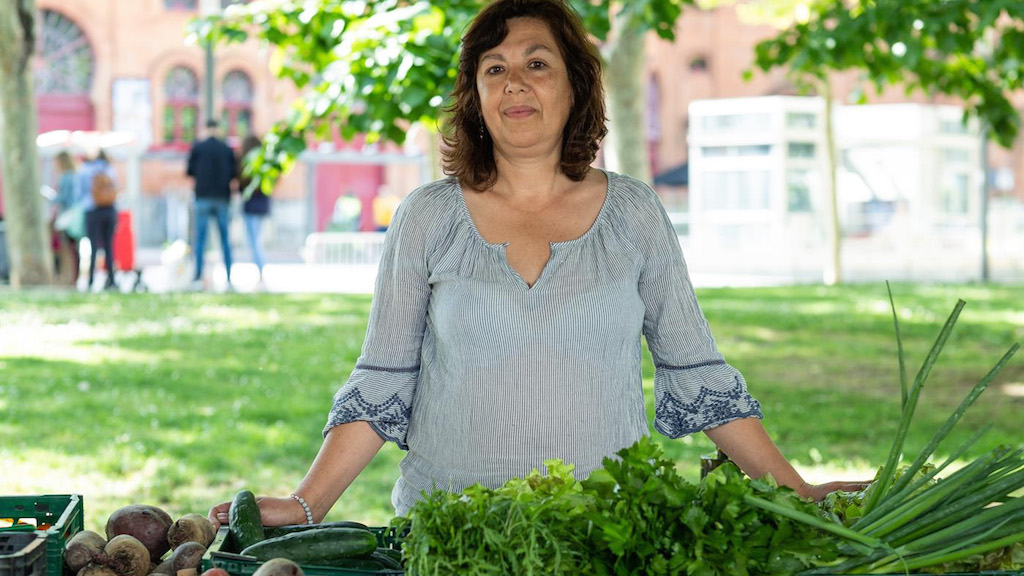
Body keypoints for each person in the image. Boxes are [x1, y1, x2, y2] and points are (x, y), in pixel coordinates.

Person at [208, 0, 865, 529]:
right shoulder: (427, 217)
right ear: (476, 97)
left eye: (536, 63)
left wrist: (795, 490)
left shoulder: (634, 213)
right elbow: (384, 380)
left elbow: (697, 375)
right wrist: (307, 504)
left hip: (604, 534)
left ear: (577, 87)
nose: (513, 81)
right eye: (493, 68)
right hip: (449, 534)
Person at [187, 119, 236, 290]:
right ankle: (229, 276)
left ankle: (198, 275)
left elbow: (189, 171)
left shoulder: (198, 148)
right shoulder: (226, 149)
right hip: (222, 197)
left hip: (203, 197)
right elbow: (233, 173)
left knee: (199, 238)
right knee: (225, 239)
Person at [76, 148, 118, 291]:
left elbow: (79, 193)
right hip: (109, 210)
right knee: (109, 246)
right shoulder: (110, 169)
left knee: (93, 246)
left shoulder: (84, 170)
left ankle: (91, 281)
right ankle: (111, 279)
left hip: (91, 211)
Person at [238, 134, 270, 284]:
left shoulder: (247, 163)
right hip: (263, 205)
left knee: (254, 241)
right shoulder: (265, 161)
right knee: (257, 240)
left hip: (251, 207)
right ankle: (260, 270)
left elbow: (241, 186)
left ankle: (260, 270)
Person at [52, 151, 84, 285]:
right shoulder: (76, 175)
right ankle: (75, 276)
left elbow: (64, 198)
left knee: (66, 248)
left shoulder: (65, 177)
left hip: (67, 216)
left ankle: (69, 276)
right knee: (75, 248)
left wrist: (52, 198)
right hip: (75, 216)